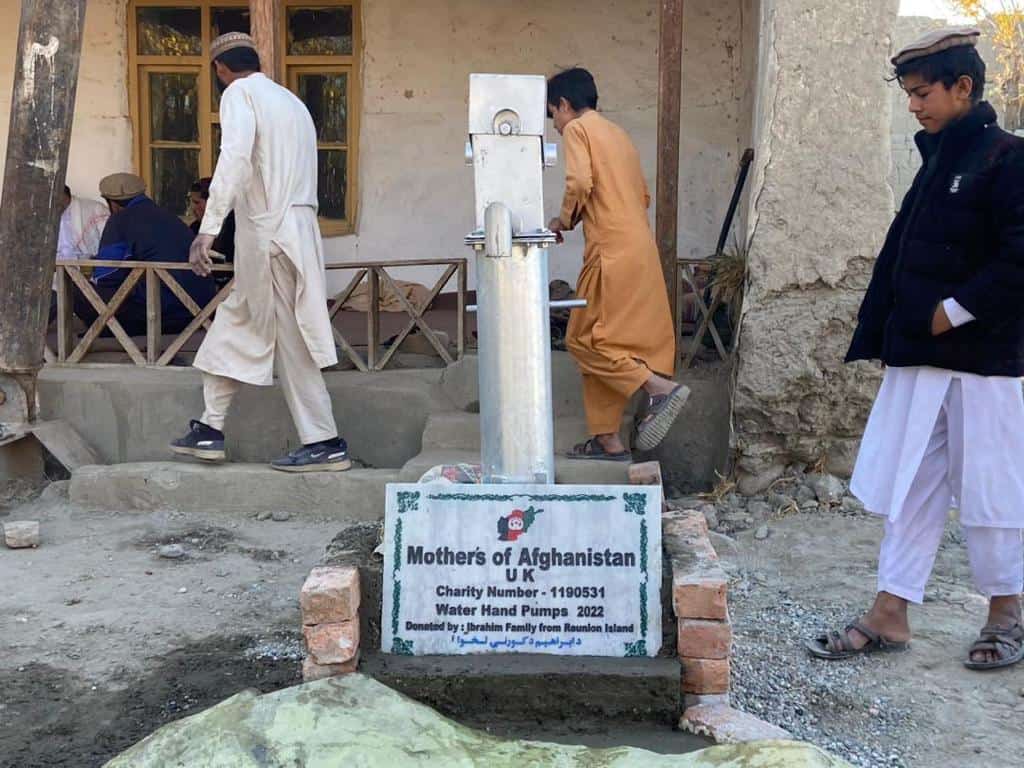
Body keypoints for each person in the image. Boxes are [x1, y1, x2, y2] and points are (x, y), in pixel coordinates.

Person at [806, 28, 1024, 670]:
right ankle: (890, 613)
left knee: (994, 488)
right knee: (909, 485)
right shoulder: (939, 158)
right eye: (908, 93)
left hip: (984, 362)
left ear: (964, 87)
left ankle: (1007, 612)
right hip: (921, 357)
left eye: (923, 92)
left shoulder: (1009, 158)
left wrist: (951, 312)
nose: (913, 105)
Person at [170, 32, 350, 473]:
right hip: (296, 230)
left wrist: (207, 230)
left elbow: (234, 160)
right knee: (263, 330)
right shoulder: (290, 102)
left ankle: (317, 440)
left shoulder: (239, 94)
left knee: (251, 326)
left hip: (269, 234)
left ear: (220, 69)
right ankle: (212, 428)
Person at [546, 67, 688, 462]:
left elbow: (579, 183)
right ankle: (607, 440)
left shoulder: (578, 130)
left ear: (564, 104)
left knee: (581, 340)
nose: (555, 126)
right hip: (637, 248)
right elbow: (642, 195)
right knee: (602, 342)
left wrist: (564, 220)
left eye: (552, 114)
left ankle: (656, 387)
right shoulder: (619, 135)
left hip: (609, 251)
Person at [75, 173, 216, 337]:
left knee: (74, 288)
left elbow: (106, 275)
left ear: (112, 203)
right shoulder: (169, 216)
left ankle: (105, 332)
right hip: (199, 313)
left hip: (159, 316)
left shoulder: (119, 220)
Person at [48, 185, 109, 324]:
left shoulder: (94, 209)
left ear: (65, 195)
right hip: (55, 275)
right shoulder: (43, 215)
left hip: (86, 274)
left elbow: (108, 246)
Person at [189, 177, 236, 263]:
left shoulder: (234, 226)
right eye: (192, 202)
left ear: (211, 203)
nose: (193, 208)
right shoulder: (194, 228)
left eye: (197, 202)